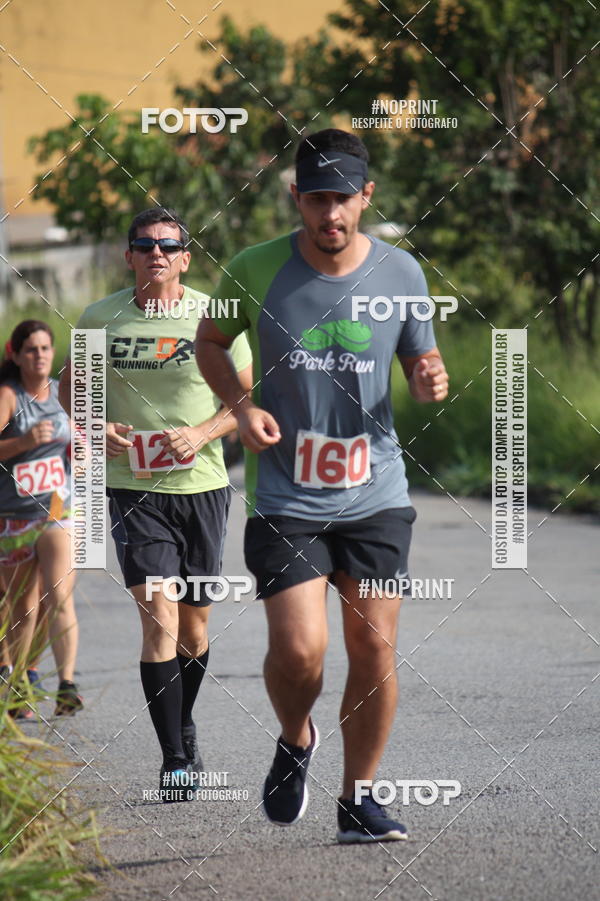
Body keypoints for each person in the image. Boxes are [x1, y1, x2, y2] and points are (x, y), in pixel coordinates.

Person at [196, 129, 449, 842]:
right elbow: (209, 342)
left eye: (342, 199)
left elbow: (423, 367)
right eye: (316, 199)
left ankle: (358, 800)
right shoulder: (254, 267)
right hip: (287, 495)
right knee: (301, 649)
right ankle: (295, 735)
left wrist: (430, 379)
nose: (329, 214)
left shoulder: (402, 274)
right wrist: (242, 408)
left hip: (375, 491)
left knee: (372, 649)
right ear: (296, 197)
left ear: (366, 197)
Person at [58, 207, 252, 800]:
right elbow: (70, 389)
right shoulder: (101, 317)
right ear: (130, 256)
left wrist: (201, 433)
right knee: (159, 619)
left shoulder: (212, 315)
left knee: (193, 628)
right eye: (144, 245)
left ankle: (184, 720)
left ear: (186, 258)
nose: (156, 254)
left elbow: (244, 397)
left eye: (168, 246)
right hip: (132, 488)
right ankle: (173, 759)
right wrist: (98, 424)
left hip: (203, 487)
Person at [0, 320, 81, 717]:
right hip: (14, 519)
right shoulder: (8, 396)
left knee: (58, 595)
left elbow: (78, 440)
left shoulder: (60, 394)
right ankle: (18, 683)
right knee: (22, 608)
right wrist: (24, 442)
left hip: (56, 512)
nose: (41, 356)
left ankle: (67, 683)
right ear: (15, 354)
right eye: (32, 349)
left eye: (47, 348)